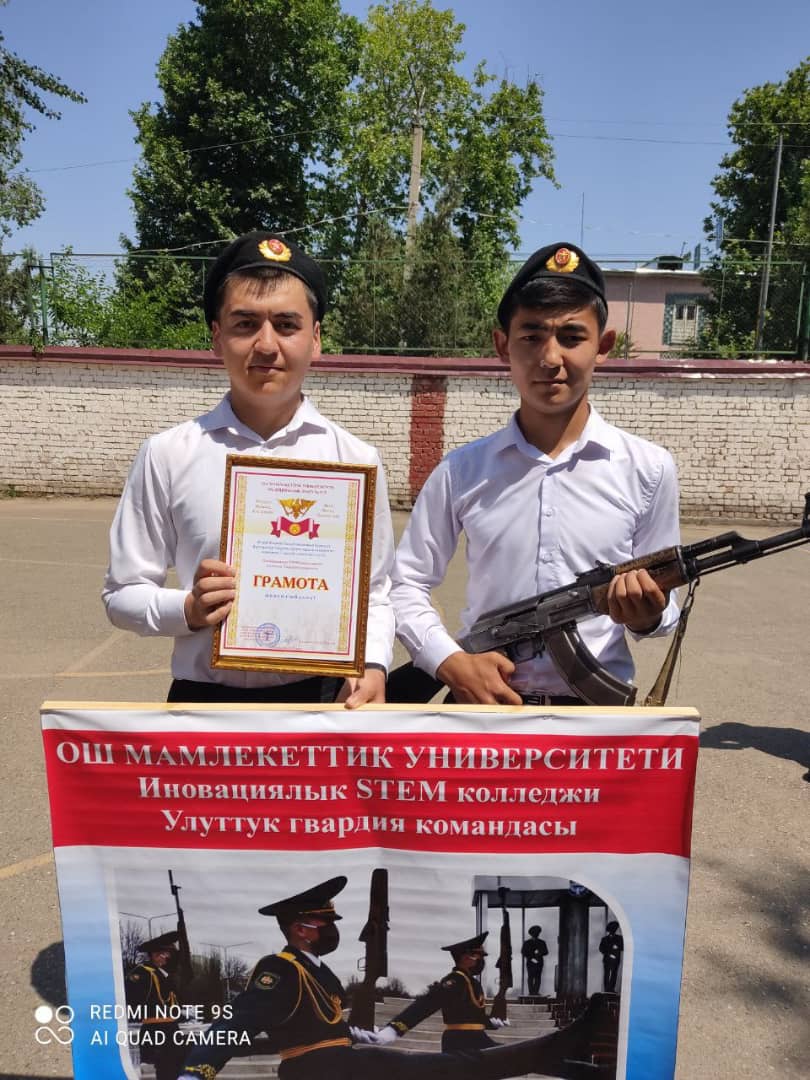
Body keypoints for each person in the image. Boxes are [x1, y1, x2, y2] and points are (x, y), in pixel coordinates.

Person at [103, 232, 394, 707]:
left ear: (316, 339)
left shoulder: (355, 460)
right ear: (217, 337)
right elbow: (122, 594)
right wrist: (189, 609)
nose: (266, 344)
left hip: (323, 702)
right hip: (204, 705)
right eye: (245, 324)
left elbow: (376, 592)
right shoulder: (168, 454)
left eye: (287, 324)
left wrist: (375, 662)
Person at [390, 241, 681, 706]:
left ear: (604, 347)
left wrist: (647, 614)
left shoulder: (648, 469)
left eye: (572, 337)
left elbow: (664, 610)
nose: (550, 358)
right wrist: (450, 662)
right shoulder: (462, 471)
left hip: (596, 719)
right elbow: (404, 581)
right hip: (483, 711)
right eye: (531, 336)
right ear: (502, 345)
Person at [179, 876, 616, 1080]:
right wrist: (197, 1071)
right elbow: (237, 1021)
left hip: (337, 1064)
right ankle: (563, 1045)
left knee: (461, 1068)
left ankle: (568, 1054)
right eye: (324, 923)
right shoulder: (279, 968)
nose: (332, 929)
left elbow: (310, 1023)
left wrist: (353, 1033)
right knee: (457, 1067)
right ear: (300, 928)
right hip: (320, 1071)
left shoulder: (317, 971)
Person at [373, 932, 508, 1052]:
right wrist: (395, 1029)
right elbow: (426, 1004)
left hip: (478, 1039)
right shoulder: (454, 981)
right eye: (479, 956)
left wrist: (490, 1022)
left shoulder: (472, 982)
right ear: (466, 957)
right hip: (460, 1042)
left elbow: (472, 1016)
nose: (481, 961)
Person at [125, 931, 187, 1080]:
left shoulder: (163, 974)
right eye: (165, 953)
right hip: (156, 1030)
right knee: (165, 1071)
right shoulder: (143, 973)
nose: (168, 957)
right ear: (154, 954)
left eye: (168, 953)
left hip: (171, 1029)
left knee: (175, 1070)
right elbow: (132, 999)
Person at [521, 926, 548, 996]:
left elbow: (546, 952)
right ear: (532, 934)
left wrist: (539, 953)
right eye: (535, 933)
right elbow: (523, 952)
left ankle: (535, 992)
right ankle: (531, 992)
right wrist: (532, 957)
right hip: (531, 963)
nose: (537, 934)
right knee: (531, 977)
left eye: (537, 933)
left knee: (538, 977)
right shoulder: (527, 943)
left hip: (538, 963)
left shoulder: (542, 942)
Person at [599, 921, 623, 993]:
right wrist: (610, 953)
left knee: (614, 974)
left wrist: (617, 947)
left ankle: (611, 989)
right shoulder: (604, 939)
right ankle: (607, 989)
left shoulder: (619, 938)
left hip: (615, 960)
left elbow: (623, 947)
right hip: (607, 960)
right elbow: (601, 949)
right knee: (607, 974)